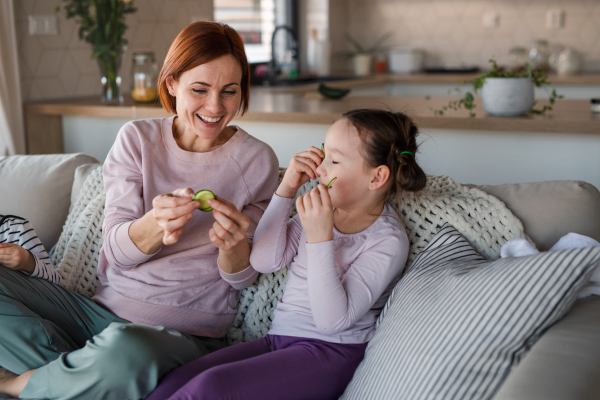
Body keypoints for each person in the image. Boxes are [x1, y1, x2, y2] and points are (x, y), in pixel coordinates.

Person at [0, 21, 279, 400]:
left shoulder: (256, 160)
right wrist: (152, 225)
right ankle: (84, 378)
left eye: (229, 92)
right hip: (94, 318)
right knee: (114, 351)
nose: (216, 107)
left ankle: (26, 383)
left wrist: (232, 247)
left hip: (179, 339)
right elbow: (115, 252)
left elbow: (242, 278)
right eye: (200, 90)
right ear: (172, 84)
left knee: (127, 351)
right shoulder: (137, 139)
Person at [146, 109, 428, 400]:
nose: (320, 170)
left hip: (330, 353)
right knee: (179, 379)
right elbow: (264, 260)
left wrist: (321, 237)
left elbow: (332, 321)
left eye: (334, 160)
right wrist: (287, 187)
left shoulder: (387, 239)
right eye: (323, 155)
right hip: (278, 342)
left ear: (377, 177)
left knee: (211, 388)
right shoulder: (321, 210)